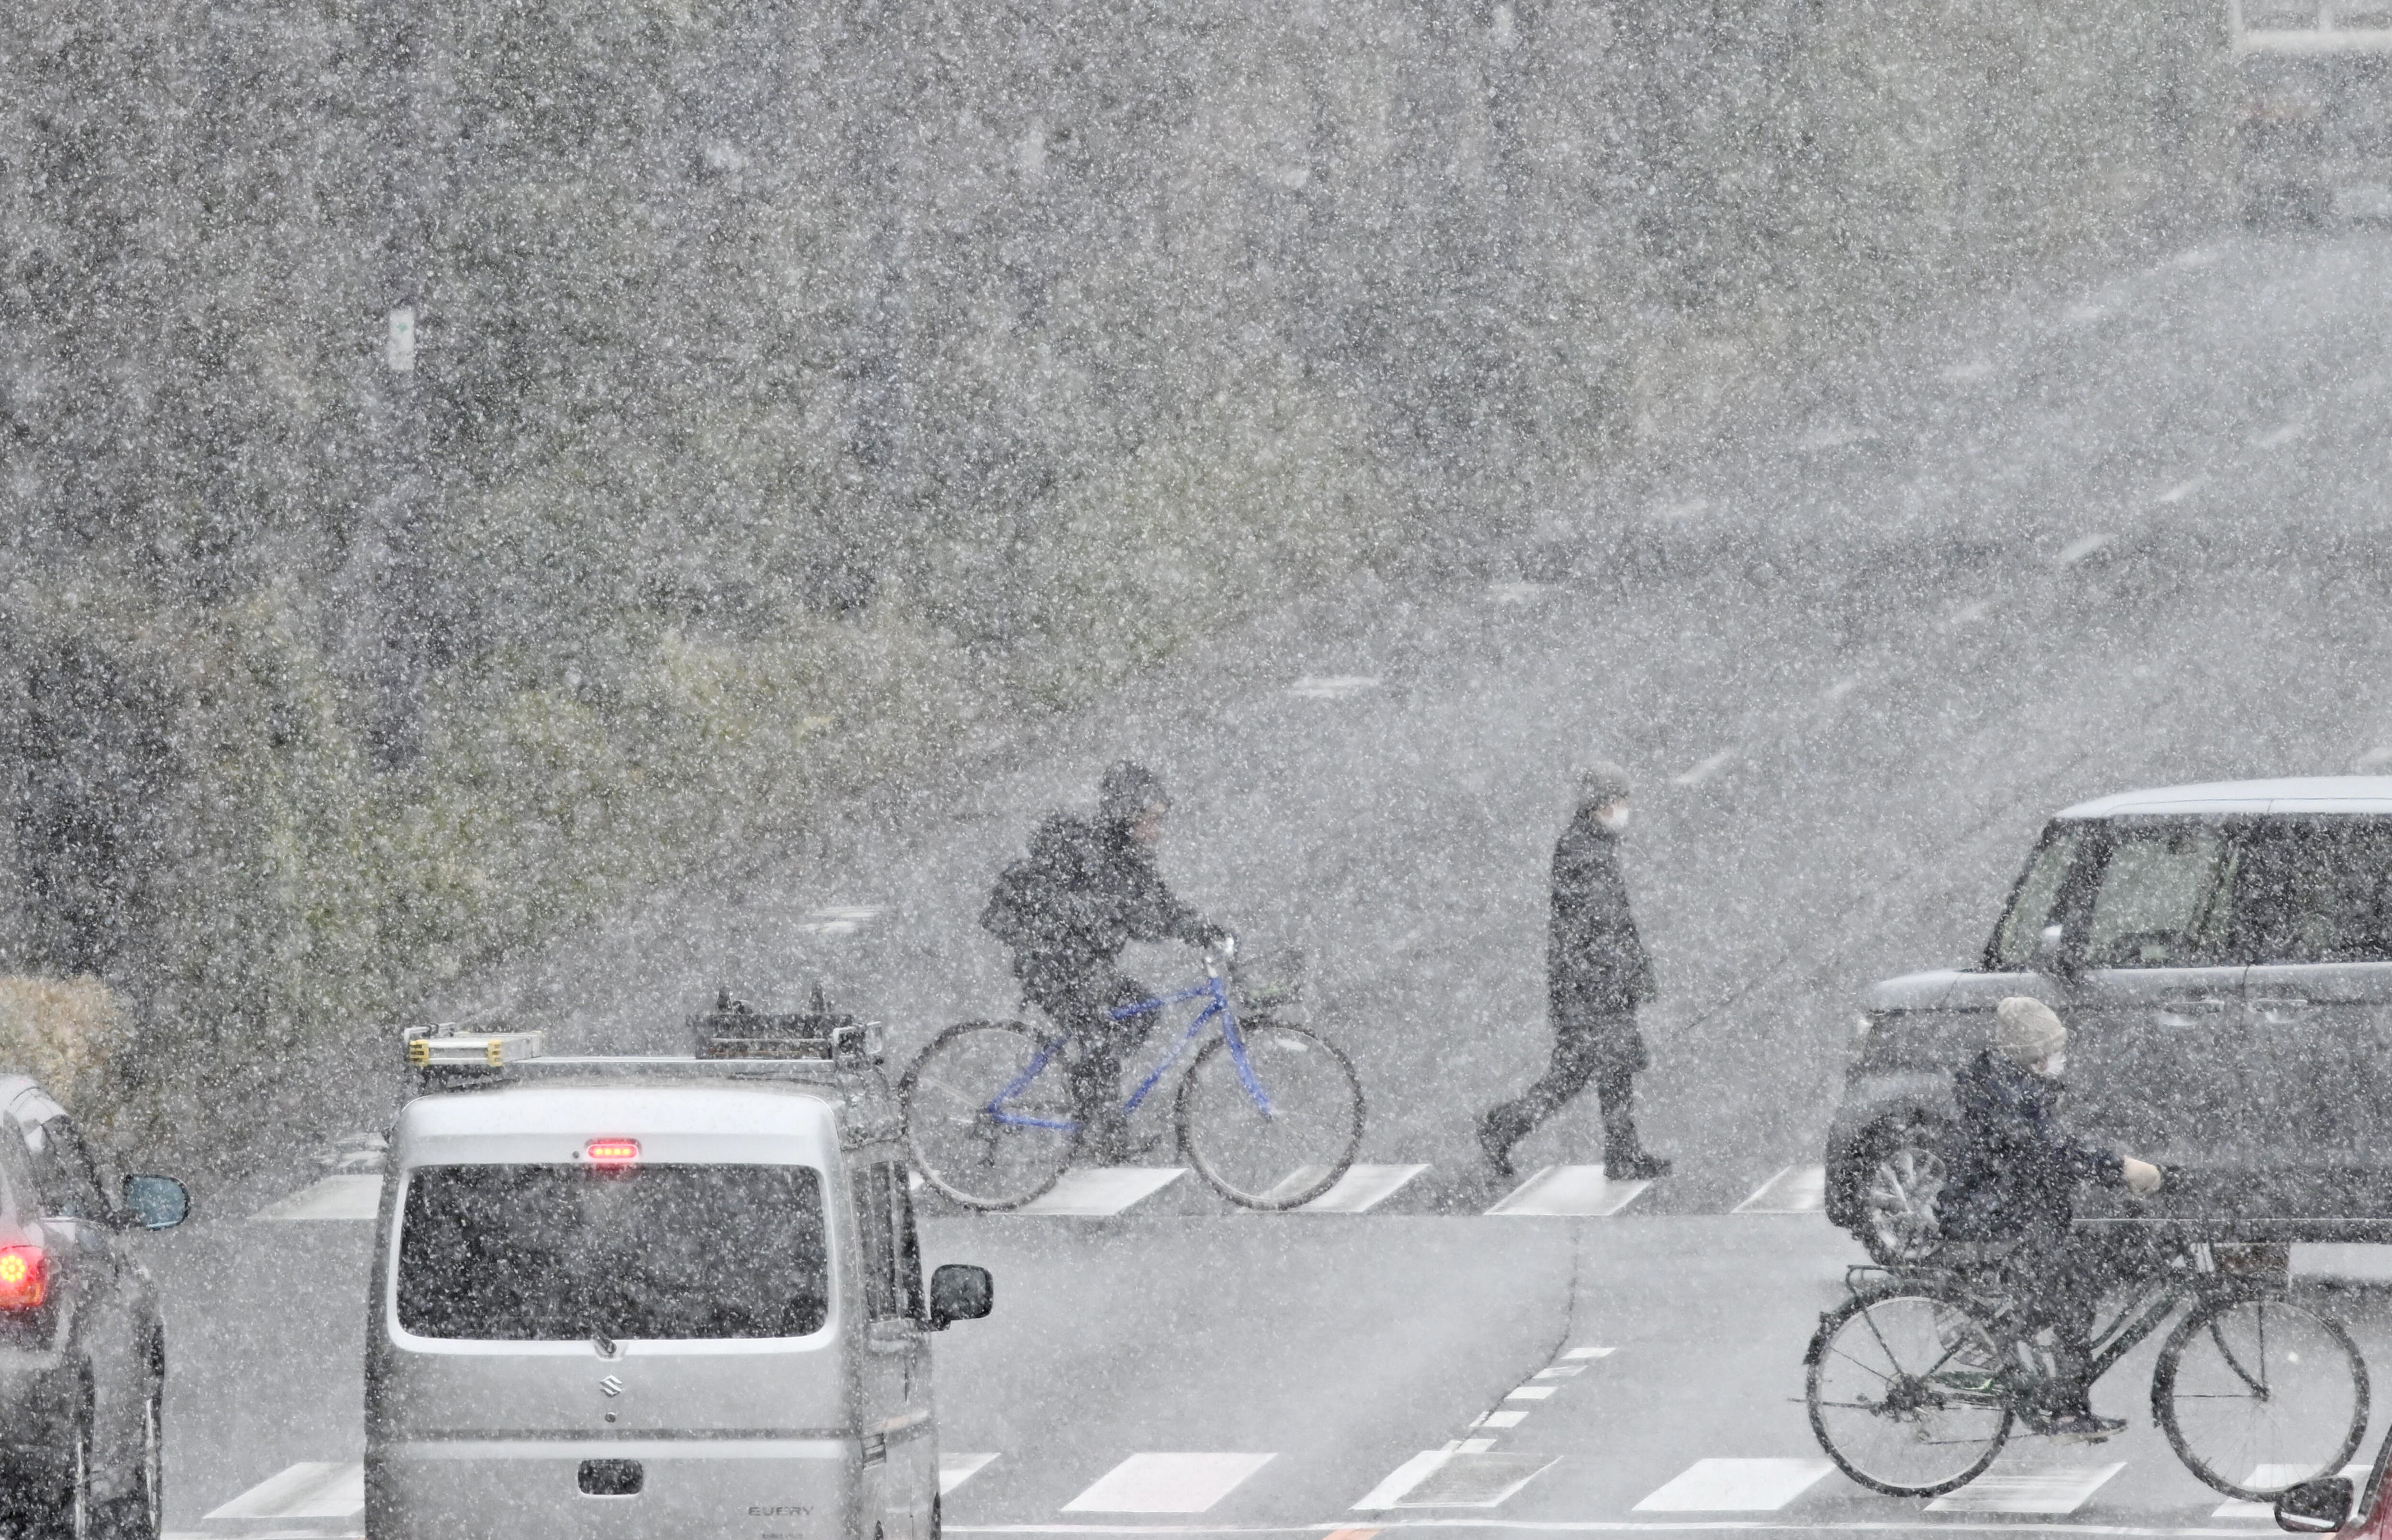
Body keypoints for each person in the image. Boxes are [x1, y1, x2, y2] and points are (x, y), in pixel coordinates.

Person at [1940, 995, 2165, 1439]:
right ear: (2035, 1055)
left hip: (2011, 1211)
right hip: (1993, 1219)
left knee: (2076, 1279)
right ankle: (2052, 1394)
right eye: (2054, 1050)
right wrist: (2119, 1168)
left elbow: (2050, 1153)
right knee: (2072, 1286)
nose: (2060, 1059)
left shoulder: (2014, 1085)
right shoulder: (2005, 1094)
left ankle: (2053, 1390)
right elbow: (2049, 1154)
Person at [980, 762, 1226, 1160]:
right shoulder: (1097, 854)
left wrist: (1202, 928)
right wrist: (1192, 931)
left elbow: (1158, 905)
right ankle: (1099, 1125)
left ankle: (1093, 1106)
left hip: (1081, 966)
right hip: (1054, 965)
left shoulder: (1127, 856)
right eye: (1150, 820)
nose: (1156, 831)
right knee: (1101, 1030)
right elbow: (1143, 917)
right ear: (1127, 816)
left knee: (1138, 1014)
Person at [1478, 760, 1670, 1181]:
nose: (1625, 809)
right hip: (1591, 991)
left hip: (1598, 986)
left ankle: (1624, 1153)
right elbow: (1601, 928)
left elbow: (1609, 928)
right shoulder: (1584, 851)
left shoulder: (1594, 846)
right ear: (1601, 806)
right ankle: (1502, 1128)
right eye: (1620, 801)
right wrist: (1616, 983)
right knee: (1571, 1076)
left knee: (1614, 1070)